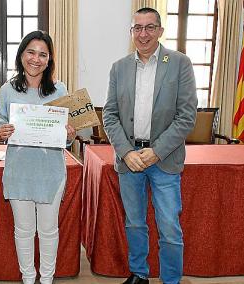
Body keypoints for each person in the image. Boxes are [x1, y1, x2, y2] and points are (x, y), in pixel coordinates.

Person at [103, 7, 197, 284]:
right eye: (137, 28)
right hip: (130, 159)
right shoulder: (119, 68)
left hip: (164, 159)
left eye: (149, 27)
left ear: (160, 31)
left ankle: (170, 280)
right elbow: (109, 115)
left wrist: (156, 151)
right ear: (131, 32)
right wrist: (126, 152)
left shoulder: (180, 63)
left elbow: (187, 116)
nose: (143, 34)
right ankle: (139, 274)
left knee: (169, 226)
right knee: (134, 223)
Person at [0, 30, 76, 284]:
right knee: (24, 231)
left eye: (43, 54)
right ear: (21, 55)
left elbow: (68, 135)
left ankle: (47, 279)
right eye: (31, 52)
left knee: (49, 231)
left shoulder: (60, 89)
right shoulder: (7, 90)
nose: (36, 59)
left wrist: (70, 134)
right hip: (19, 171)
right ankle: (29, 278)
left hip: (51, 171)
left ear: (49, 60)